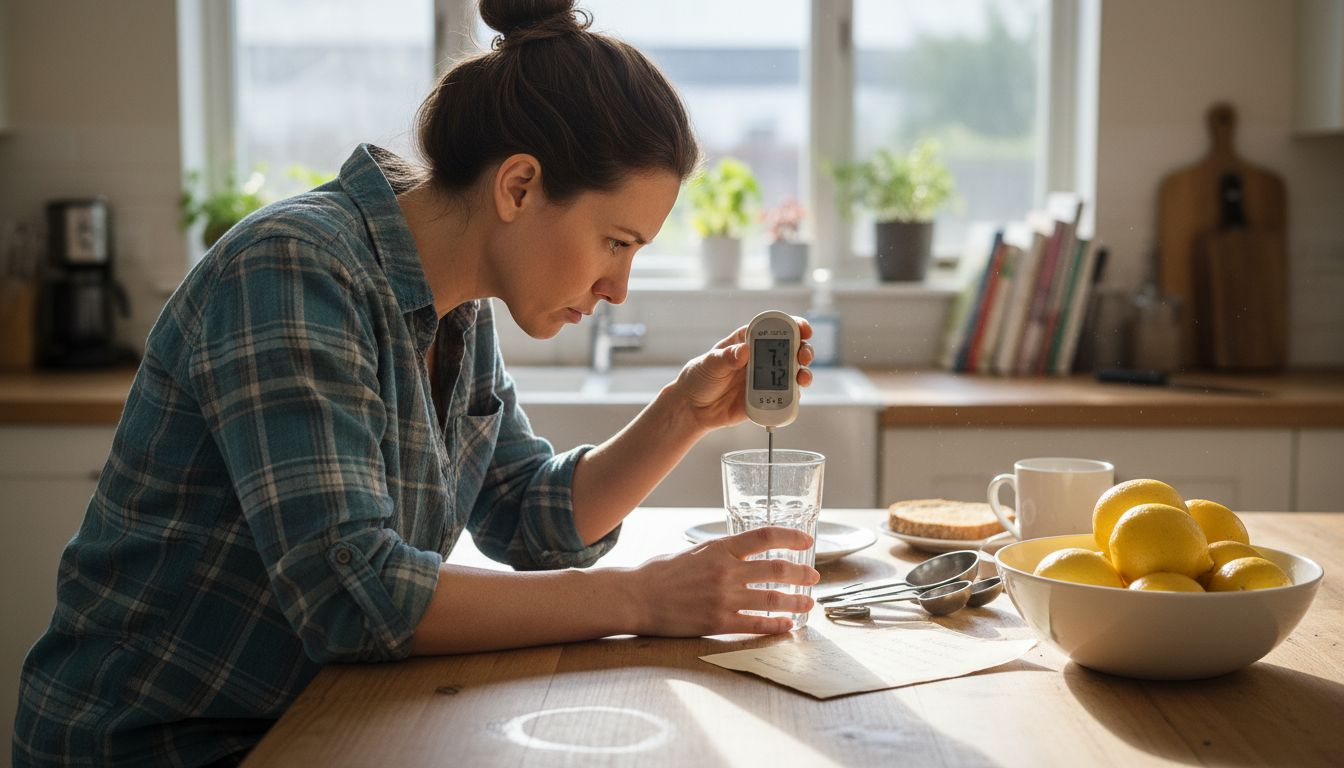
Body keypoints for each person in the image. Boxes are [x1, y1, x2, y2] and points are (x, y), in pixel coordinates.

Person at [13, 1, 819, 765]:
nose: (619, 288)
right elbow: (353, 594)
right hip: (169, 744)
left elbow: (531, 517)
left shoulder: (457, 310)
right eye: (615, 242)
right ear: (519, 186)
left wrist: (684, 412)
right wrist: (641, 599)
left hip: (319, 722)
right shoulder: (293, 270)